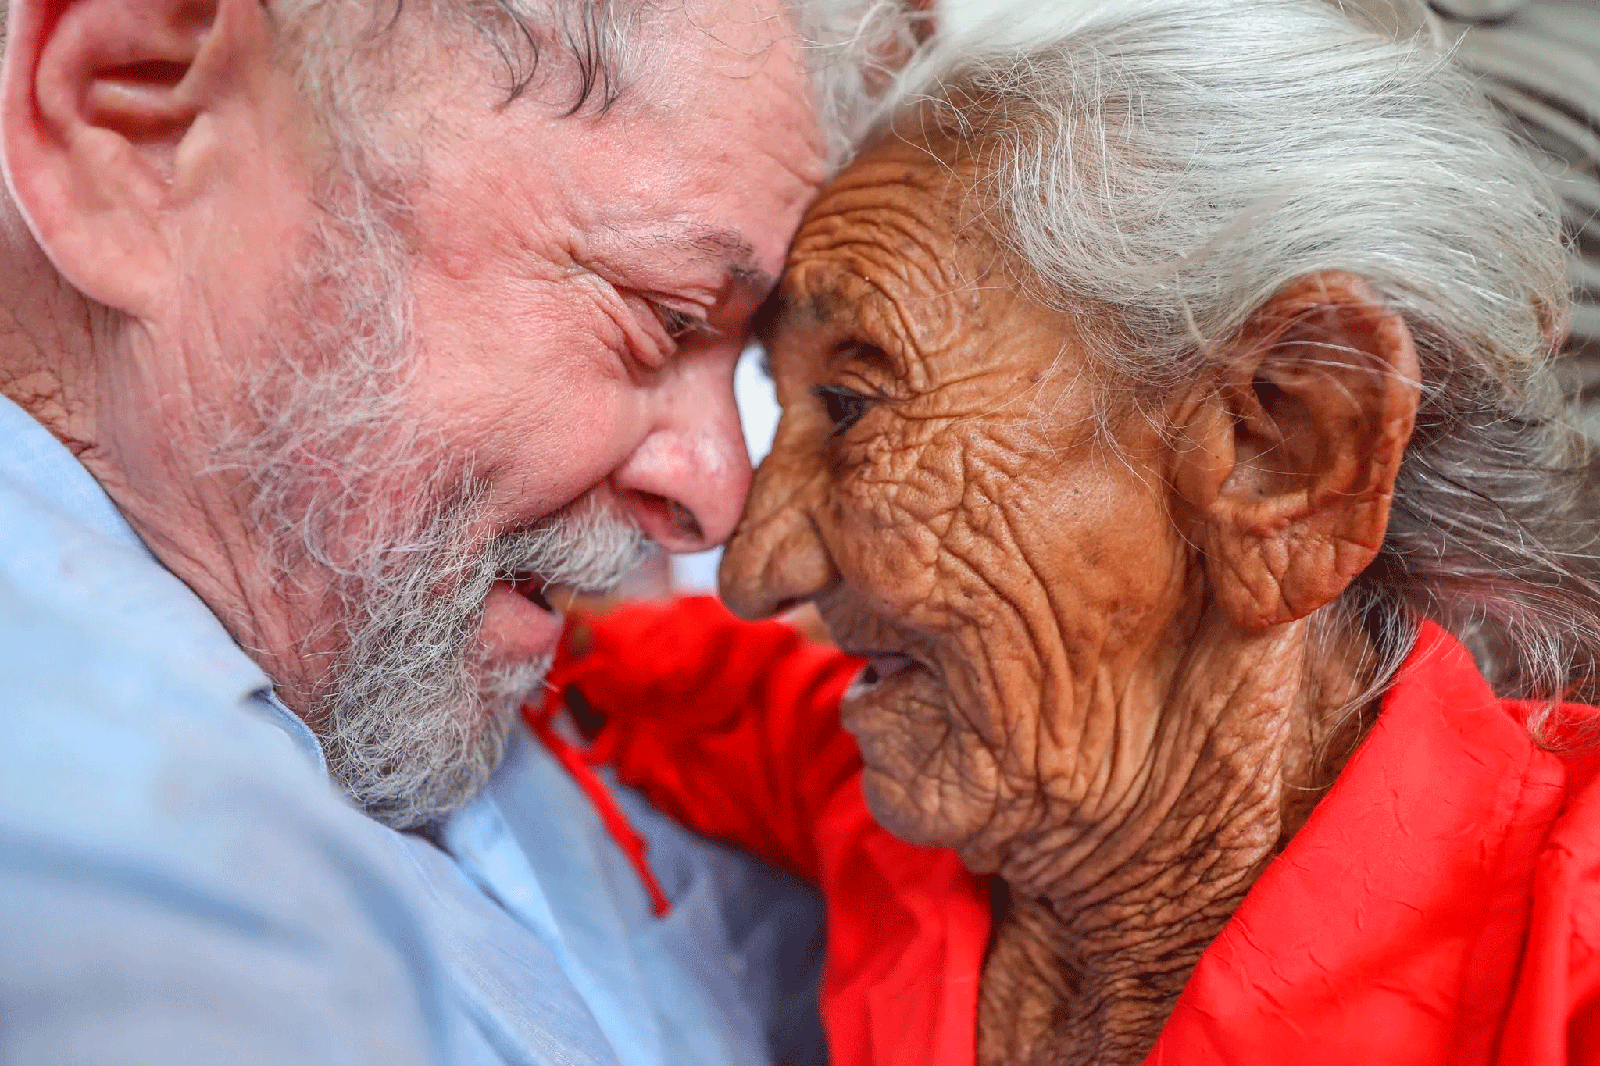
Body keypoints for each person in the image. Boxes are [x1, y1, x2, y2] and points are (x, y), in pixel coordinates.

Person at [530, 1, 1600, 1063]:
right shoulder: (917, 795)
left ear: (1288, 444)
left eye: (854, 405)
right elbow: (689, 689)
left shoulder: (1569, 954)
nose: (757, 570)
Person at [0, 1, 922, 1063]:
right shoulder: (104, 869)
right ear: (137, 129)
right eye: (660, 314)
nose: (719, 497)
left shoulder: (409, 636)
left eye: (743, 368)